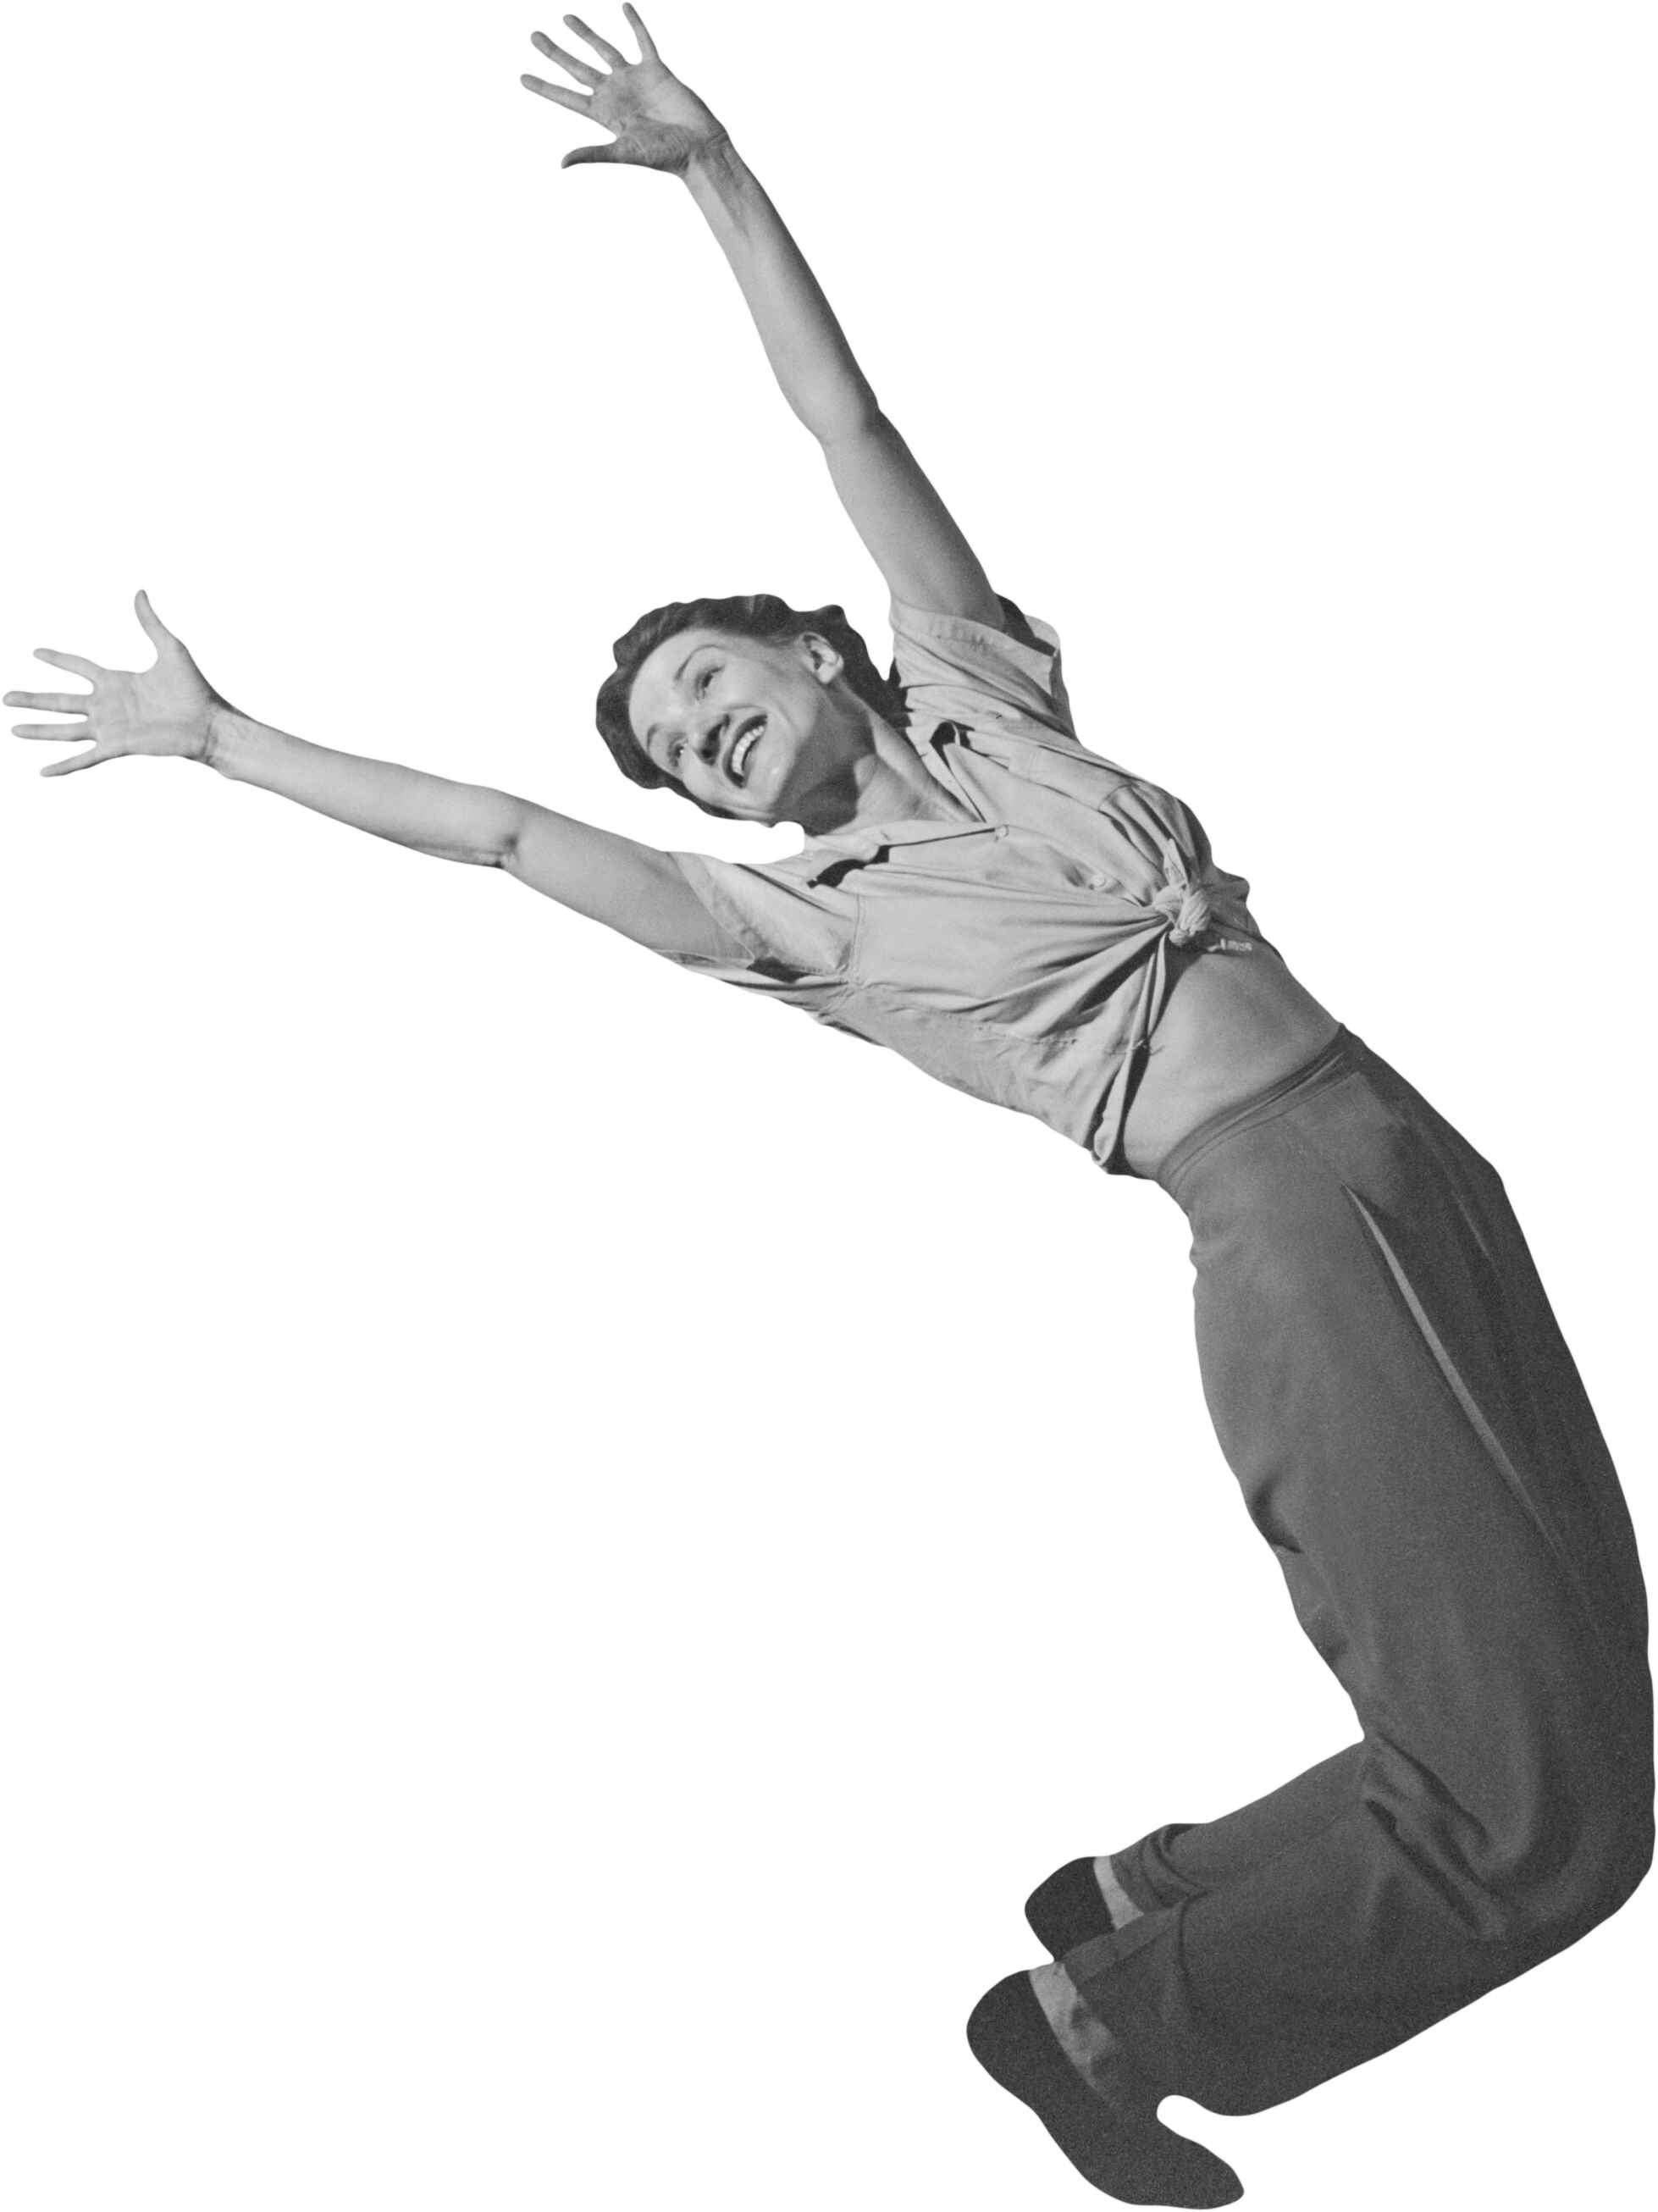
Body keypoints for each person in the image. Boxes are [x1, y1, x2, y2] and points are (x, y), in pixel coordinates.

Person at [8, 14, 1652, 2212]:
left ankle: (1117, 1891)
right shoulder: (797, 925)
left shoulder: (976, 703)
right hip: (1280, 1228)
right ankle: (1091, 2029)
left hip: (1401, 1140)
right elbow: (497, 836)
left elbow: (847, 422)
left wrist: (714, 179)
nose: (703, 738)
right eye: (678, 751)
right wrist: (240, 743)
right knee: (1535, 1805)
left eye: (713, 684)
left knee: (1588, 1696)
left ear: (812, 658)